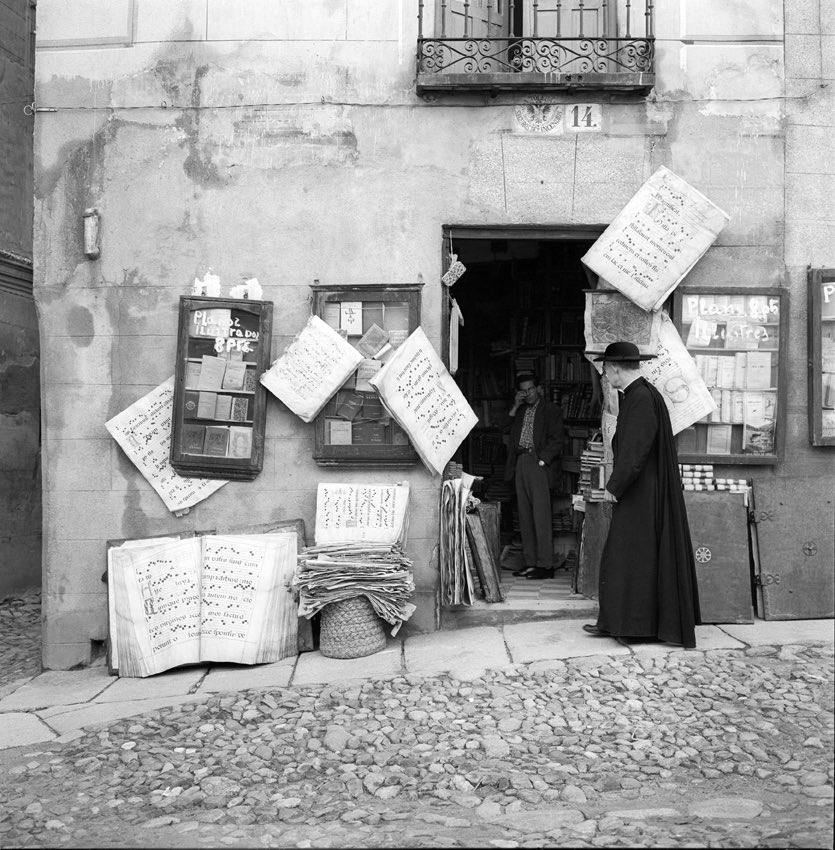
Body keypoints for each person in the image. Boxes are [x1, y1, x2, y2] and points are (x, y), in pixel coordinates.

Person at [582, 341, 701, 648]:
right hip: (642, 491)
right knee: (626, 557)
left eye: (606, 371)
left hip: (641, 494)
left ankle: (634, 626)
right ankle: (617, 622)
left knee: (632, 558)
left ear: (615, 369)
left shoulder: (640, 399)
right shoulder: (639, 395)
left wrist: (614, 487)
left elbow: (635, 450)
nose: (605, 377)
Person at [504, 372, 565, 580]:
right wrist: (514, 406)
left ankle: (545, 565)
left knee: (541, 516)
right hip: (520, 462)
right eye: (523, 390)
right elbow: (503, 428)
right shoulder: (519, 411)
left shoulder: (551, 410)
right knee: (525, 516)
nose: (528, 393)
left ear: (538, 389)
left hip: (538, 463)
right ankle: (530, 563)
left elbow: (557, 440)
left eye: (531, 389)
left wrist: (543, 460)